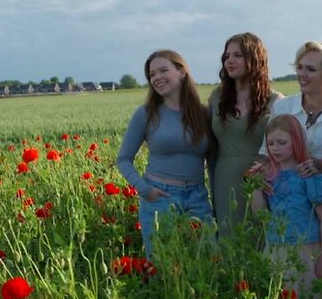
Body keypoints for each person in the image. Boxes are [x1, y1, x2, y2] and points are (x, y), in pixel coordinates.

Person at [116, 50, 213, 257]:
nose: (157, 78)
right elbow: (123, 159)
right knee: (164, 269)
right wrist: (144, 189)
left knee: (206, 264)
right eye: (152, 75)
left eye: (163, 70)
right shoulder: (146, 114)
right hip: (160, 198)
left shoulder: (204, 114)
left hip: (197, 198)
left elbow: (214, 158)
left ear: (182, 72)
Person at [250, 114, 322, 299]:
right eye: (271, 143)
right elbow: (260, 214)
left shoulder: (307, 174)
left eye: (282, 142)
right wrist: (256, 186)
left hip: (306, 250)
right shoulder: (269, 175)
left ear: (296, 141)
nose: (275, 148)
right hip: (277, 247)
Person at [209, 33, 282, 236]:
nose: (229, 61)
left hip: (264, 179)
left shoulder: (276, 101)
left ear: (255, 58)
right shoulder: (216, 97)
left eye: (237, 55)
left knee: (261, 236)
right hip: (225, 177)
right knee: (229, 238)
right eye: (226, 56)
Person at [260, 41, 322, 197]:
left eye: (310, 69)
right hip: (288, 202)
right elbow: (265, 152)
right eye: (300, 67)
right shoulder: (282, 107)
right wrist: (259, 173)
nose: (302, 74)